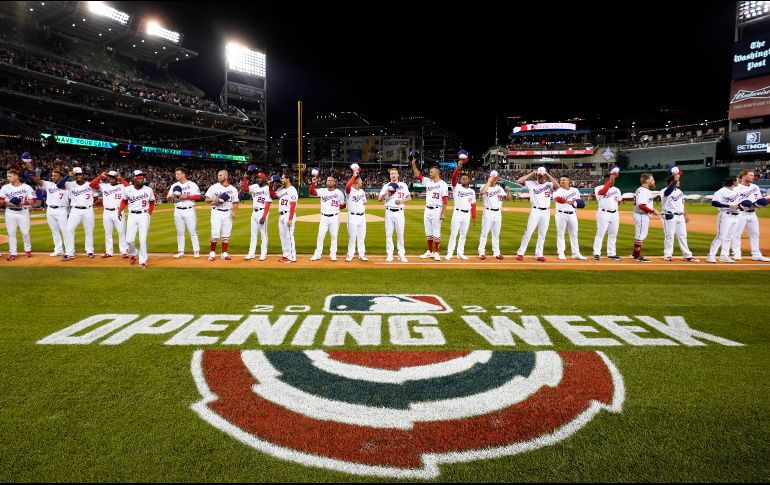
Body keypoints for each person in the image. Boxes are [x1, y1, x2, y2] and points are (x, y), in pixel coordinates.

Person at [411, 149, 448, 261]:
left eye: (431, 172)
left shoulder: (443, 184)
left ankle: (436, 252)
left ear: (437, 173)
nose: (429, 173)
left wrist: (443, 213)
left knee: (436, 231)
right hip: (427, 209)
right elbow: (417, 174)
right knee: (428, 232)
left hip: (437, 210)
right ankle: (429, 251)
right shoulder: (428, 181)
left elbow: (445, 200)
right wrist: (413, 164)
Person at [516, 167, 559, 262]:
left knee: (542, 234)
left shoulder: (549, 184)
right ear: (537, 176)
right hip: (535, 211)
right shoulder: (531, 183)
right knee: (528, 232)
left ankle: (539, 254)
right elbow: (519, 180)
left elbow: (558, 186)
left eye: (542, 176)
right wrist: (531, 173)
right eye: (539, 176)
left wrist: (547, 174)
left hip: (546, 211)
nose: (541, 178)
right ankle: (520, 253)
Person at [117, 170, 155, 269]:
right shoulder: (127, 189)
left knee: (142, 239)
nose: (142, 178)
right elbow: (124, 201)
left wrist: (149, 214)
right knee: (129, 240)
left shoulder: (148, 190)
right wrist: (120, 211)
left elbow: (152, 202)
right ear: (134, 178)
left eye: (142, 177)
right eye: (139, 177)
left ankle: (142, 261)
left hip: (144, 215)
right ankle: (134, 253)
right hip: (132, 216)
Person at [731, 169, 770, 262]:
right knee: (736, 234)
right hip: (740, 213)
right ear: (744, 176)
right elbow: (734, 202)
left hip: (752, 214)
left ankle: (756, 254)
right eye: (751, 175)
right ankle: (736, 253)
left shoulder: (755, 187)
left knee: (755, 234)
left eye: (753, 175)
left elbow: (758, 200)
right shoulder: (736, 188)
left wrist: (760, 204)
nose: (753, 177)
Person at [660, 170, 698, 262]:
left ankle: (687, 255)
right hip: (670, 215)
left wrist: (685, 215)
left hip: (680, 216)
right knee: (670, 235)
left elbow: (682, 204)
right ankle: (667, 255)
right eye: (677, 181)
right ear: (672, 182)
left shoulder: (680, 191)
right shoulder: (664, 190)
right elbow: (668, 193)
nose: (679, 182)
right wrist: (675, 180)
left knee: (683, 235)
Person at [90, 170, 129, 259]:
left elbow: (130, 188)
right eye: (110, 177)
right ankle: (109, 252)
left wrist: (121, 179)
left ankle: (124, 251)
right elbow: (92, 184)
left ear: (116, 178)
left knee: (121, 232)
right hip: (106, 212)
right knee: (108, 233)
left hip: (118, 212)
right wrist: (100, 176)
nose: (111, 179)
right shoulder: (104, 186)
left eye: (113, 177)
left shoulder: (122, 186)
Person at [0, 169, 36, 260]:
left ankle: (28, 250)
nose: (7, 178)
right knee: (11, 233)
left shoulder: (26, 187)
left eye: (9, 176)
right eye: (7, 176)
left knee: (25, 232)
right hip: (10, 212)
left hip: (23, 211)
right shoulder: (5, 187)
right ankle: (13, 253)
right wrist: (7, 203)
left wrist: (22, 204)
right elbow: (1, 200)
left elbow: (33, 200)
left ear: (16, 176)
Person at [445, 157, 477, 260]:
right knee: (453, 234)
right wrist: (458, 168)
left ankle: (460, 253)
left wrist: (474, 216)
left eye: (465, 178)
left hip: (467, 214)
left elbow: (473, 204)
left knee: (463, 235)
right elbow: (454, 177)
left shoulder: (472, 191)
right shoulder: (456, 187)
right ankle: (450, 252)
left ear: (469, 180)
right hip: (457, 213)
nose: (463, 179)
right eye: (462, 178)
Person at [32, 168, 69, 257]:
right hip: (50, 210)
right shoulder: (49, 184)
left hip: (62, 209)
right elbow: (37, 181)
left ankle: (69, 250)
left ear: (61, 177)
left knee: (65, 231)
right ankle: (58, 249)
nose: (53, 177)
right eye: (52, 175)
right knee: (54, 231)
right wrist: (32, 172)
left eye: (55, 175)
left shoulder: (67, 185)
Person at [204, 170, 240, 261]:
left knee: (226, 235)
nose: (218, 177)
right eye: (218, 175)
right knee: (215, 234)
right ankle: (212, 253)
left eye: (220, 175)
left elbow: (235, 202)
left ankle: (224, 253)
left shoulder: (233, 189)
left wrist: (234, 212)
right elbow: (206, 199)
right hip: (216, 212)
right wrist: (214, 199)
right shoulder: (214, 187)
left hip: (228, 212)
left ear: (226, 177)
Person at [309, 175, 346, 261]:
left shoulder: (339, 193)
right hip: (324, 217)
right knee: (320, 236)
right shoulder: (322, 191)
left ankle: (333, 254)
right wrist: (313, 183)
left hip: (334, 217)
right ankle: (317, 254)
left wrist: (335, 208)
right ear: (326, 182)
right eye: (328, 180)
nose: (329, 181)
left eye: (331, 180)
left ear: (334, 182)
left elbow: (343, 205)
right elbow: (312, 192)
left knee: (334, 236)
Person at [168, 167, 202, 259]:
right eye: (176, 174)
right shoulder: (174, 185)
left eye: (178, 174)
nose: (176, 175)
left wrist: (186, 196)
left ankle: (196, 250)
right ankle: (181, 251)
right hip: (178, 210)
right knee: (180, 232)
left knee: (192, 231)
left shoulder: (192, 184)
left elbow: (198, 196)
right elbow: (169, 198)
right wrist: (173, 197)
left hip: (189, 209)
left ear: (183, 174)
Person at [378, 168, 411, 262]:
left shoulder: (403, 185)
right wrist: (386, 193)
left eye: (395, 173)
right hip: (389, 212)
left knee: (400, 234)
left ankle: (401, 254)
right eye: (391, 173)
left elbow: (409, 197)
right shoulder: (386, 185)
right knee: (389, 234)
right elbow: (379, 199)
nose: (393, 175)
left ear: (398, 175)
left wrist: (401, 201)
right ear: (390, 175)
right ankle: (390, 254)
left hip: (400, 211)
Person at [63, 167, 96, 261]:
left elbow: (96, 197)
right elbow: (58, 185)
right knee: (69, 230)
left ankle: (89, 251)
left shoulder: (90, 184)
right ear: (74, 175)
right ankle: (69, 253)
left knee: (89, 231)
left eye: (80, 174)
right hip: (75, 210)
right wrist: (67, 176)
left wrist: (91, 203)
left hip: (88, 210)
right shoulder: (70, 184)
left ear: (83, 175)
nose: (78, 176)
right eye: (76, 174)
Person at [478, 170, 511, 260]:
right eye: (492, 178)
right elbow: (482, 192)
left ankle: (496, 253)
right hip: (488, 212)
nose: (494, 180)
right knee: (484, 233)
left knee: (496, 234)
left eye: (495, 178)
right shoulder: (485, 187)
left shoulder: (500, 188)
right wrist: (488, 182)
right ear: (490, 177)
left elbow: (507, 199)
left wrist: (508, 191)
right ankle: (481, 252)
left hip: (498, 213)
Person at [553, 176, 587, 260]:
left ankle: (576, 253)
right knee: (560, 234)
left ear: (569, 181)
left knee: (574, 235)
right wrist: (570, 202)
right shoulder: (558, 191)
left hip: (572, 214)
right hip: (561, 214)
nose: (562, 181)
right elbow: (557, 199)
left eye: (564, 180)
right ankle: (561, 252)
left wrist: (580, 204)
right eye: (560, 180)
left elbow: (580, 202)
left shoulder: (575, 190)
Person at [706, 177, 740, 264]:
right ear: (733, 182)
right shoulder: (721, 191)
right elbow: (714, 203)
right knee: (720, 236)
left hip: (736, 216)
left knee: (729, 237)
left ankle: (724, 256)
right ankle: (711, 256)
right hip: (725, 216)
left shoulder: (736, 190)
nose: (738, 181)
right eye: (737, 180)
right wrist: (729, 206)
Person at [593, 170, 623, 261]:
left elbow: (619, 201)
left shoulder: (616, 189)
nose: (614, 181)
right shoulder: (598, 188)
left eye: (613, 180)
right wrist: (610, 180)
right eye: (612, 180)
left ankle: (611, 254)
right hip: (603, 213)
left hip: (614, 214)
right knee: (600, 234)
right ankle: (596, 253)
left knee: (613, 234)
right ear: (606, 179)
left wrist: (614, 209)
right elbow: (603, 192)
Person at [242, 169, 272, 261]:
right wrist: (245, 179)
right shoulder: (254, 186)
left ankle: (263, 253)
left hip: (262, 212)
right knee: (253, 234)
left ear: (264, 179)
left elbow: (268, 202)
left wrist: (264, 216)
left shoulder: (267, 188)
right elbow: (246, 189)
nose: (258, 179)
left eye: (260, 178)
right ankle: (251, 253)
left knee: (263, 234)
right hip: (254, 212)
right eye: (257, 177)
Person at [632, 173, 660, 263]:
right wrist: (653, 211)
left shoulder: (642, 190)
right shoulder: (644, 191)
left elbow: (644, 204)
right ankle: (637, 256)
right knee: (640, 235)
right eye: (652, 179)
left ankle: (634, 253)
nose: (653, 181)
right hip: (641, 215)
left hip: (641, 214)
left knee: (641, 234)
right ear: (647, 181)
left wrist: (652, 209)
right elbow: (642, 206)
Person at [271, 173, 298, 263]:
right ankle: (286, 255)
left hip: (288, 214)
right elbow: (273, 196)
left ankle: (291, 257)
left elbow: (293, 205)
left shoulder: (292, 190)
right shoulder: (283, 190)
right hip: (281, 215)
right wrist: (269, 186)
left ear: (288, 179)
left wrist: (290, 218)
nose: (281, 180)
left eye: (282, 178)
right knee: (283, 236)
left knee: (289, 236)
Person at [345, 167, 368, 262]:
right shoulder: (349, 190)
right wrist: (353, 176)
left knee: (361, 237)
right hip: (353, 216)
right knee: (352, 237)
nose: (362, 181)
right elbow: (347, 187)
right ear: (356, 181)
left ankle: (361, 254)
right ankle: (350, 254)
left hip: (362, 217)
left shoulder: (362, 191)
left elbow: (364, 202)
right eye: (360, 179)